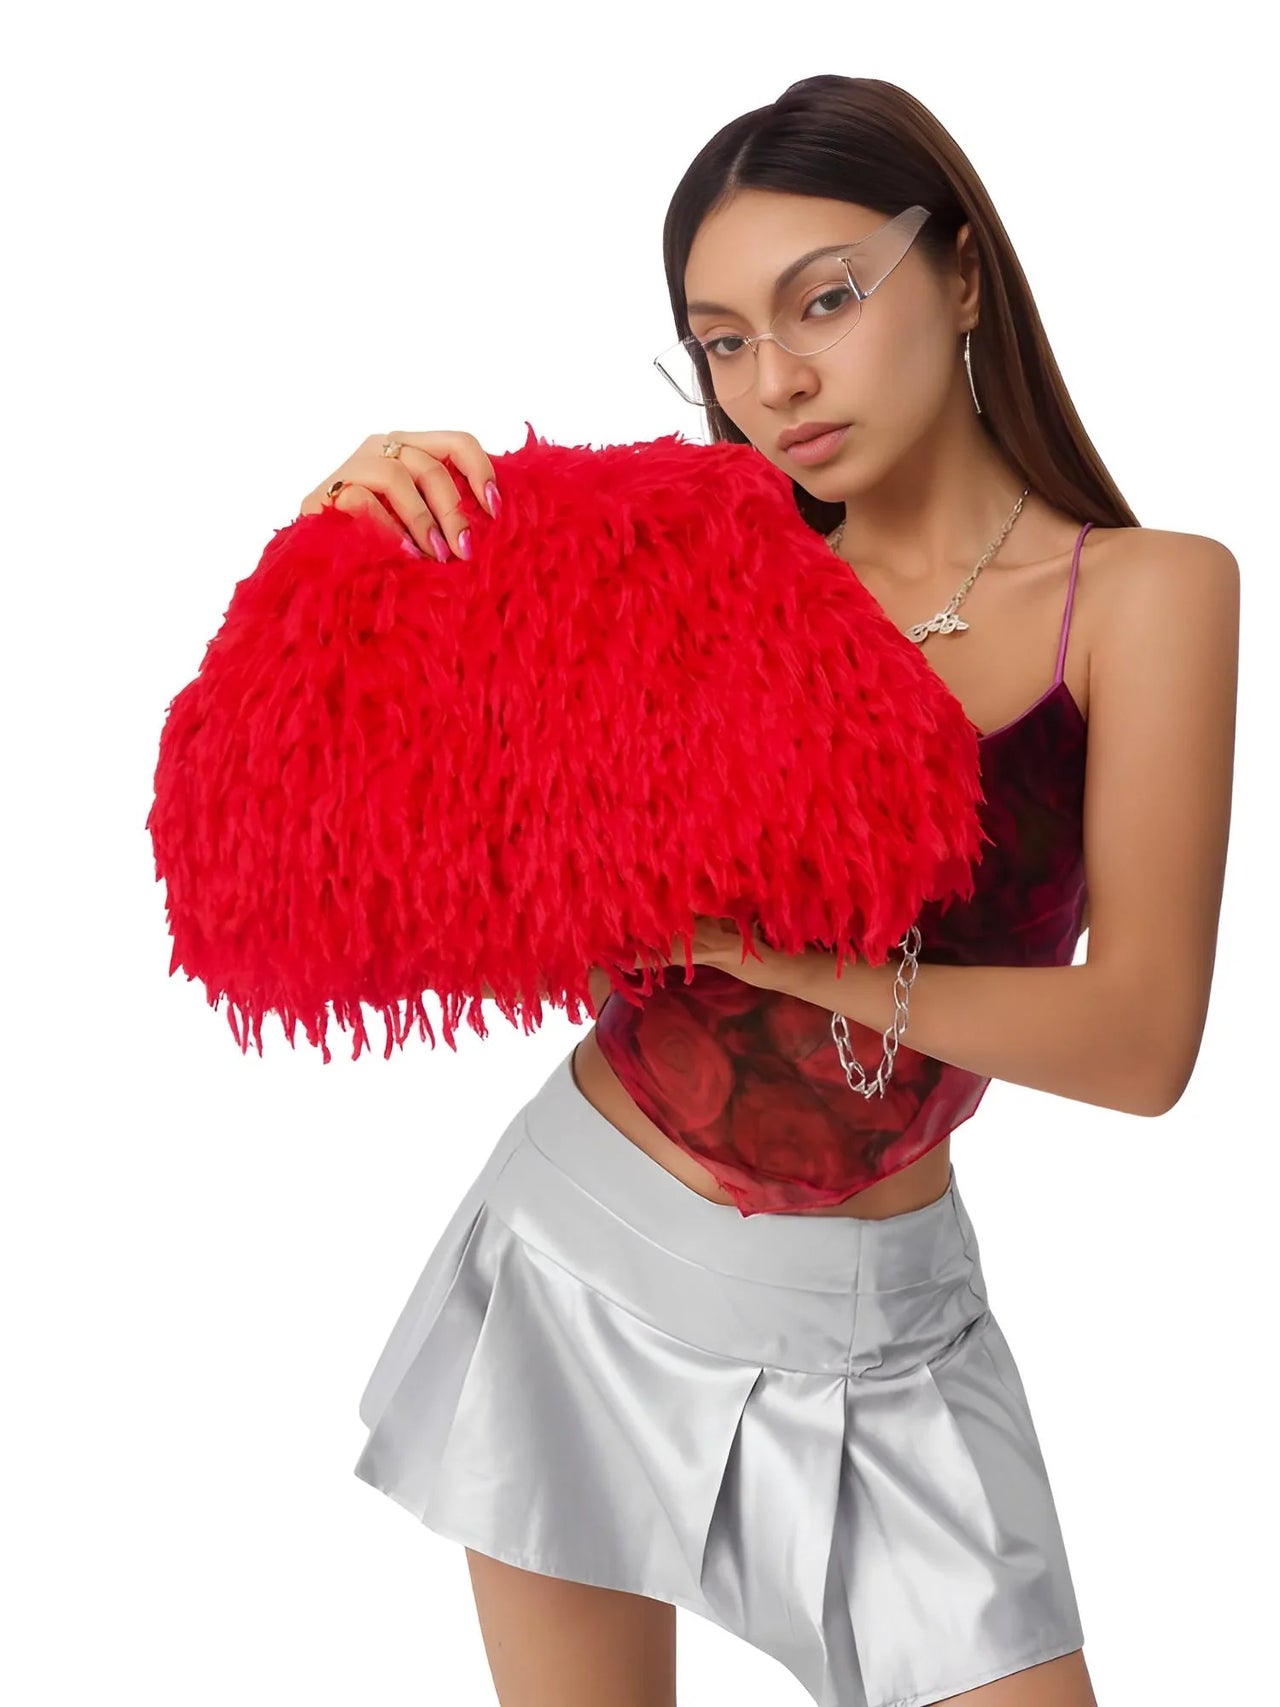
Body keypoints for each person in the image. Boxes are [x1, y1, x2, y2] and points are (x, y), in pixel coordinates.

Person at [320, 76, 1237, 1707]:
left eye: (825, 301)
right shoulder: (694, 568)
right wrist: (369, 543)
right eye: (722, 340)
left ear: (961, 274)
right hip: (588, 1261)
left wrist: (795, 962)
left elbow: (1142, 1041)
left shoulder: (1146, 595)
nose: (778, 380)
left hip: (893, 1330)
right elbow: (375, 790)